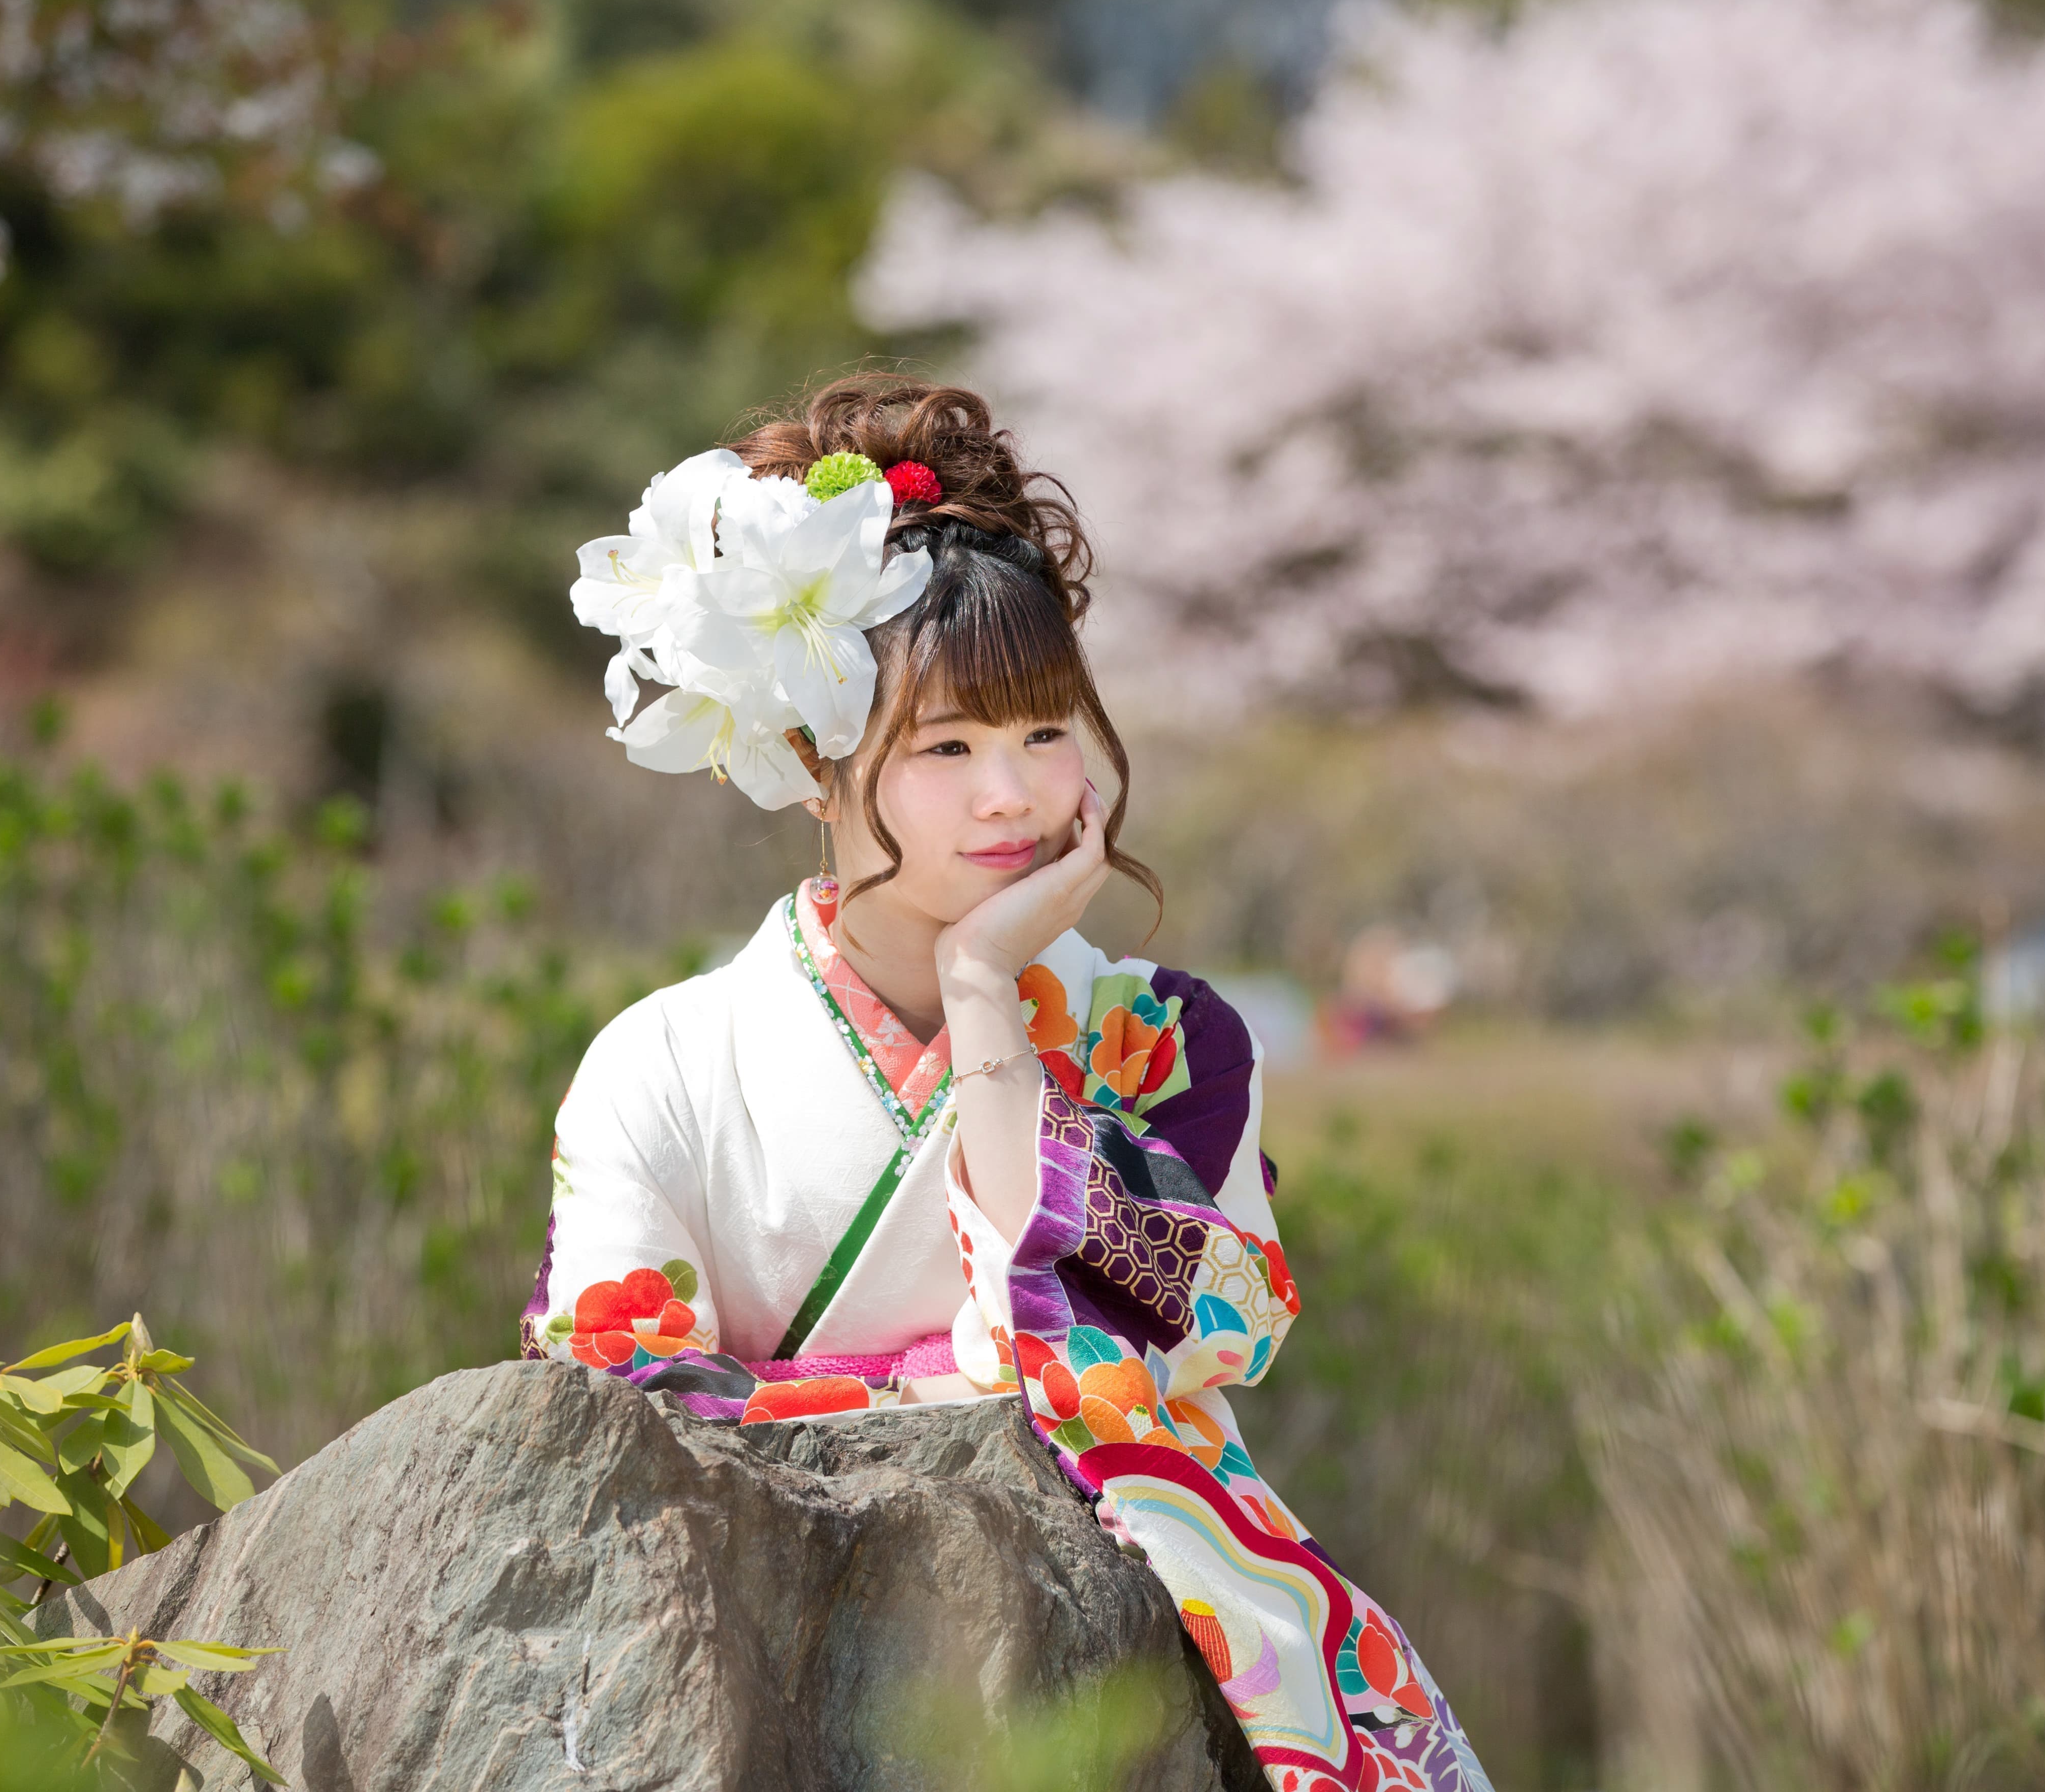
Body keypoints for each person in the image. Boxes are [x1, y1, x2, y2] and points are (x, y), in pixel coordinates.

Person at [524, 374, 1492, 1792]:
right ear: (809, 759)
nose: (1013, 798)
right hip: (760, 1651)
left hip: (1126, 1640)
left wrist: (986, 999)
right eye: (947, 748)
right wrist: (962, 1401)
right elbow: (612, 1401)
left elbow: (1209, 1329)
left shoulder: (1168, 1035)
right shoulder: (663, 1058)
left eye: (1044, 734)